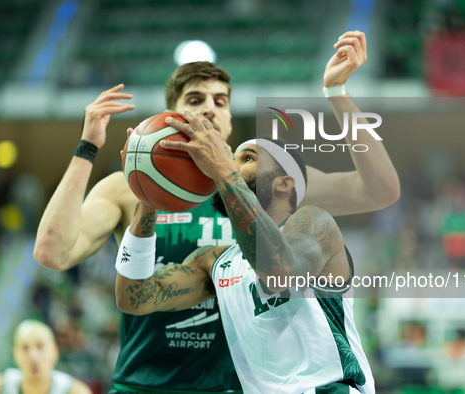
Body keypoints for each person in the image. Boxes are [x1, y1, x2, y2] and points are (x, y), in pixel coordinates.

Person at [34, 31, 398, 393]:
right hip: (147, 382)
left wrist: (337, 92)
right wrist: (127, 185)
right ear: (170, 115)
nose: (210, 107)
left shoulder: (279, 185)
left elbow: (378, 189)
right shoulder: (202, 246)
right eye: (195, 99)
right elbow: (76, 265)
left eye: (221, 101)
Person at [114, 127, 375, 393]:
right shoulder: (214, 260)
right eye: (231, 159)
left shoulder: (316, 223)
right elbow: (135, 298)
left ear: (284, 183)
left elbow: (281, 272)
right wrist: (147, 200)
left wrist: (223, 169)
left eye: (247, 158)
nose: (231, 164)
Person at [0, 320, 91, 394]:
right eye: (25, 348)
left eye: (40, 346)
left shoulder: (73, 390)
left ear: (55, 351)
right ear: (15, 354)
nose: (33, 356)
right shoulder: (3, 383)